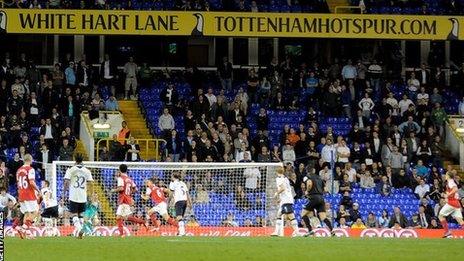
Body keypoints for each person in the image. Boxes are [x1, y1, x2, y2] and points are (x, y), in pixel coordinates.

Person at [111, 164, 147, 237]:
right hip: (127, 199)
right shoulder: (129, 179)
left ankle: (122, 234)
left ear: (120, 170)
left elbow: (121, 188)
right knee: (125, 217)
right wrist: (129, 193)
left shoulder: (120, 178)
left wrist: (113, 190)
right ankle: (143, 222)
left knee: (120, 217)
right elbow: (135, 189)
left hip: (123, 199)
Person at [63, 154, 94, 239]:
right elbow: (91, 183)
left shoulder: (71, 170)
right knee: (80, 214)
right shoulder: (87, 171)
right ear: (82, 160)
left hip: (73, 195)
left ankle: (80, 229)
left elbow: (66, 182)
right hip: (83, 196)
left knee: (73, 214)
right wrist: (91, 195)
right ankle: (82, 232)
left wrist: (64, 192)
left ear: (74, 159)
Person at [301, 168, 334, 237]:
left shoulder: (307, 176)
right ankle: (331, 230)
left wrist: (307, 191)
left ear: (307, 171)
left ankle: (310, 230)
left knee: (303, 214)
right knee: (323, 217)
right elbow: (325, 189)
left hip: (313, 197)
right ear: (314, 170)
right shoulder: (319, 178)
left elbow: (309, 184)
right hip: (321, 198)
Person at [14, 154, 39, 239]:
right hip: (29, 194)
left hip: (21, 194)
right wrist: (38, 190)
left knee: (27, 213)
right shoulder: (30, 169)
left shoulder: (18, 170)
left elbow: (18, 184)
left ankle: (26, 232)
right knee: (35, 212)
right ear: (30, 160)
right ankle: (23, 228)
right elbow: (31, 182)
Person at [271, 167, 300, 237]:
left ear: (276, 172)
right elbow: (287, 190)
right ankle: (276, 232)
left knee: (291, 216)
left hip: (286, 200)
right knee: (279, 214)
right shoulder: (285, 178)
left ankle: (297, 232)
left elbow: (283, 188)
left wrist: (276, 193)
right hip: (286, 199)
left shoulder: (279, 179)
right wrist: (280, 199)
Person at [438, 171, 464, 238]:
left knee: (440, 216)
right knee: (460, 221)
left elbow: (455, 189)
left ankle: (447, 232)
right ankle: (447, 232)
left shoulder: (450, 182)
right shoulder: (451, 182)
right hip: (456, 204)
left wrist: (448, 195)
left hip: (451, 203)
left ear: (448, 176)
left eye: (446, 175)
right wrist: (446, 195)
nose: (445, 176)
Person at [169, 172, 191, 236]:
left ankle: (182, 232)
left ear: (173, 177)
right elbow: (187, 194)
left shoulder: (172, 183)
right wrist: (190, 203)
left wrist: (168, 202)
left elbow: (171, 194)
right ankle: (180, 231)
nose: (171, 177)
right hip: (185, 201)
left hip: (178, 201)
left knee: (179, 217)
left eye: (171, 176)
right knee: (180, 217)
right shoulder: (183, 183)